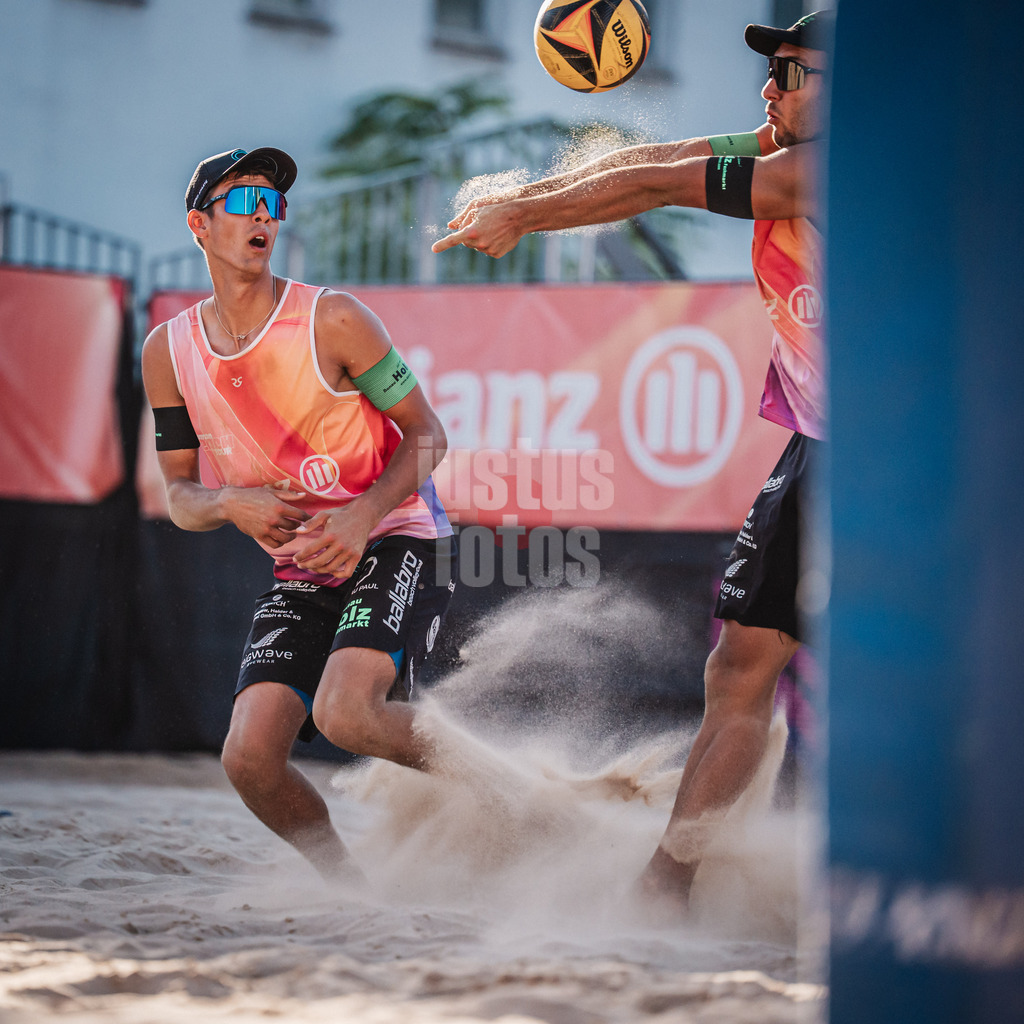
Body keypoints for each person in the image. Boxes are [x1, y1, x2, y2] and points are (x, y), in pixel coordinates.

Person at [433, 10, 833, 910]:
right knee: (740, 669)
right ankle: (670, 886)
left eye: (794, 77)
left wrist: (524, 211)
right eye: (771, 75)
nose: (770, 91)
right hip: (821, 442)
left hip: (895, 453)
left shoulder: (827, 167)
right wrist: (519, 196)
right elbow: (647, 165)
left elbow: (663, 188)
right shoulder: (784, 144)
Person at [142, 146, 456, 882]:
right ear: (199, 224)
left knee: (350, 715)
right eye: (243, 200)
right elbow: (180, 497)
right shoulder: (168, 351)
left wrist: (358, 516)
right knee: (248, 759)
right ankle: (351, 893)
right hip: (304, 563)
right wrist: (228, 503)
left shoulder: (333, 317)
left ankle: (513, 787)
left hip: (392, 533)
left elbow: (429, 434)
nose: (262, 214)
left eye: (273, 203)